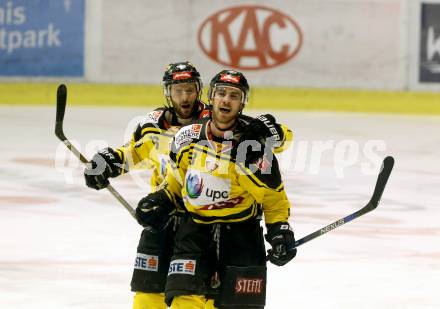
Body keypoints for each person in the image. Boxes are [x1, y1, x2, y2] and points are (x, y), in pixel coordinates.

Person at [135, 70, 296, 309]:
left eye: (234, 95)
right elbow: (177, 181)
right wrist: (162, 199)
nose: (226, 100)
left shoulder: (252, 146)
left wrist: (279, 230)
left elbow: (273, 198)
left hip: (242, 235)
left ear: (243, 102)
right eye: (221, 93)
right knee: (184, 299)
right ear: (211, 97)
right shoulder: (187, 137)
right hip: (194, 232)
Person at [84, 61, 210, 309]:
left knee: (191, 297)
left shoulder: (214, 124)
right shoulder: (154, 124)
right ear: (167, 93)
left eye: (189, 90)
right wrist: (110, 162)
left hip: (201, 222)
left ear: (199, 90)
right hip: (160, 217)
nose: (184, 97)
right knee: (146, 295)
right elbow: (136, 153)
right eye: (177, 90)